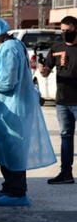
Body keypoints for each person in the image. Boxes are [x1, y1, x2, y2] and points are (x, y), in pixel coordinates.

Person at [0, 17, 56, 206]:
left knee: (15, 151)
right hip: (10, 107)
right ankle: (9, 187)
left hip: (14, 108)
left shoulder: (9, 48)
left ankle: (18, 193)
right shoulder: (13, 45)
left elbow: (7, 81)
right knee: (7, 150)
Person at [40, 16, 77, 184]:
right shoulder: (56, 49)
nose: (64, 34)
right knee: (66, 136)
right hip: (62, 101)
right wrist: (43, 70)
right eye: (62, 31)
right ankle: (66, 174)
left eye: (68, 31)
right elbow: (46, 71)